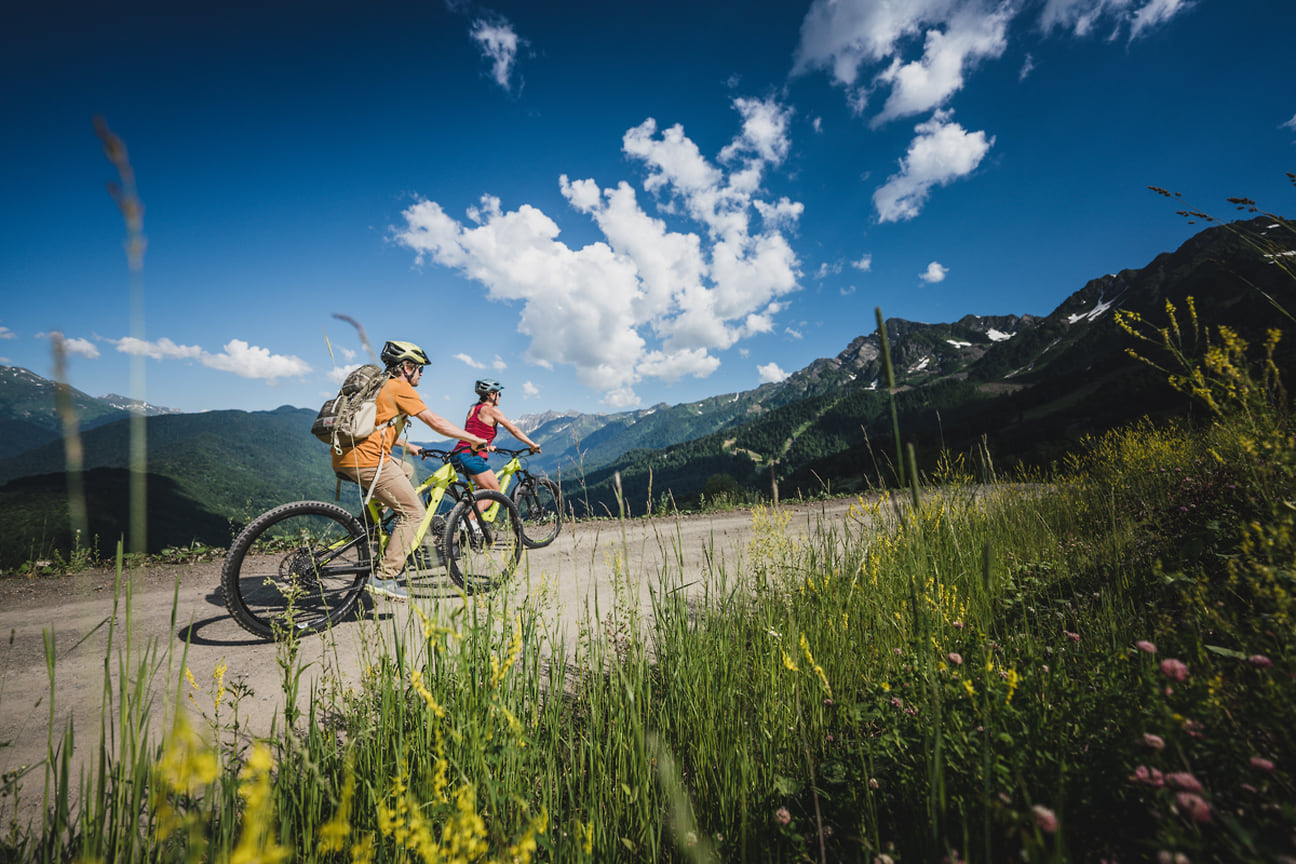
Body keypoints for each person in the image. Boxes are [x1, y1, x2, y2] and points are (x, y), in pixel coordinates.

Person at [333, 340, 492, 600]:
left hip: (345, 456)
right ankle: (386, 576)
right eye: (419, 369)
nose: (420, 374)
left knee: (405, 468)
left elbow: (372, 426)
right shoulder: (399, 387)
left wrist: (410, 445)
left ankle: (371, 524)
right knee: (413, 513)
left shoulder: (378, 386)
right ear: (406, 366)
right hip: (368, 460)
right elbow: (435, 422)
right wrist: (473, 439)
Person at [450, 379, 540, 516]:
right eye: (499, 394)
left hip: (458, 453)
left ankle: (472, 523)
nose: (500, 398)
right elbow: (514, 429)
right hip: (471, 457)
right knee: (494, 491)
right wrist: (532, 445)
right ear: (491, 394)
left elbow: (471, 433)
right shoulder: (493, 411)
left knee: (480, 493)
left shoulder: (473, 410)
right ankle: (469, 521)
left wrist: (488, 445)